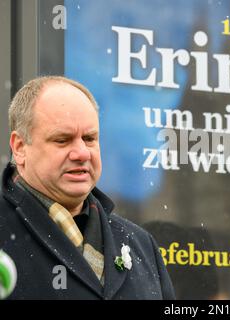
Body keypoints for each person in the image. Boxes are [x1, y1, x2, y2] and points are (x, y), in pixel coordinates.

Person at [0, 76, 175, 299]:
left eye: (90, 138)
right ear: (20, 147)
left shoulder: (141, 244)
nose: (82, 153)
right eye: (62, 140)